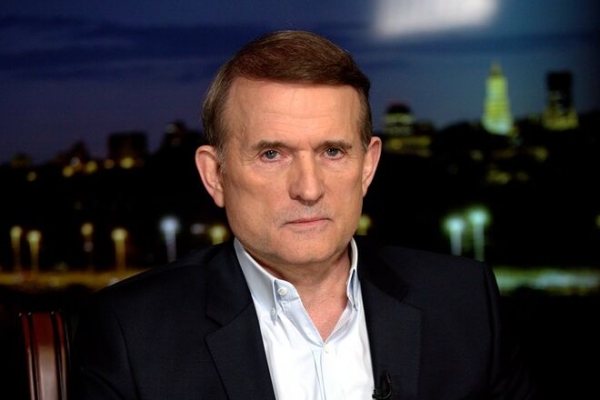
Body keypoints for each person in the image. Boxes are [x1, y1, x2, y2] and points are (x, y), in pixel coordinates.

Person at [72, 30, 539, 399]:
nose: (309, 189)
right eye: (272, 154)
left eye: (333, 151)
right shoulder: (131, 330)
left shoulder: (464, 302)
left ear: (368, 166)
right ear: (215, 175)